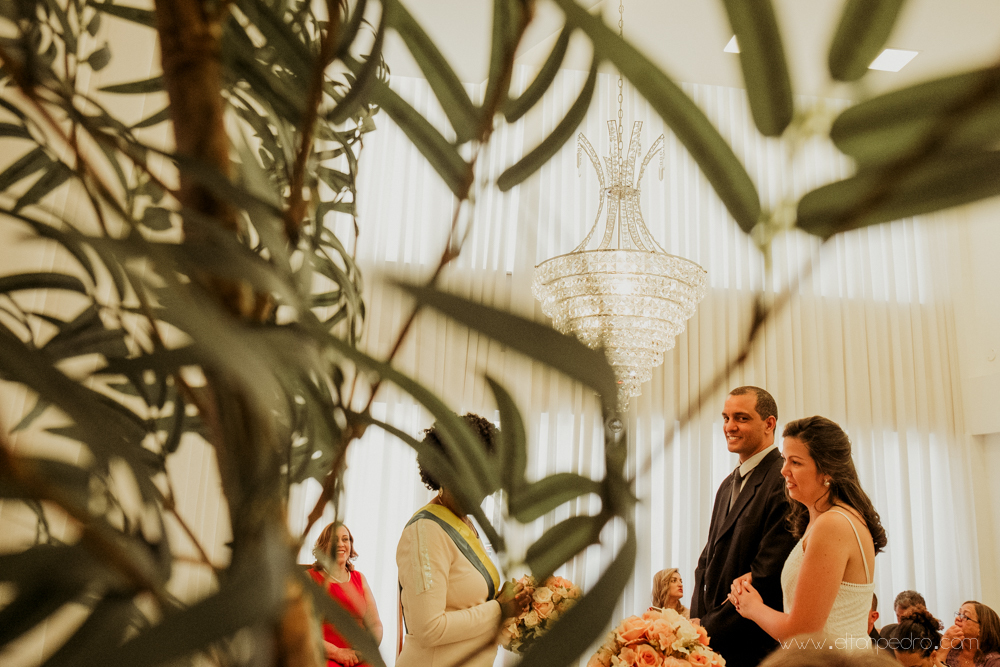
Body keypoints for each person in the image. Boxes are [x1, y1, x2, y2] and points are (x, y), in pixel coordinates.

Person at [730, 416, 888, 649]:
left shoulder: (832, 524)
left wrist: (752, 607)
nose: (783, 470)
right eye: (785, 459)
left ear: (827, 470)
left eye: (795, 462)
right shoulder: (829, 519)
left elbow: (802, 634)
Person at [396, 413, 529, 667]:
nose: (482, 496)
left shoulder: (463, 522)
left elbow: (466, 602)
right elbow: (429, 628)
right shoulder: (426, 530)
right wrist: (499, 609)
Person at [692, 386, 798, 667]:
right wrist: (695, 621)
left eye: (741, 418)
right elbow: (706, 560)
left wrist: (707, 631)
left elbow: (767, 575)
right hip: (711, 644)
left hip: (753, 646)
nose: (730, 426)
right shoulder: (727, 484)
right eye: (726, 418)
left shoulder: (784, 481)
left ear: (769, 424)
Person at [308, 522, 383, 667]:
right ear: (323, 545)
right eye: (334, 540)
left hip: (358, 656)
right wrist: (336, 652)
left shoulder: (360, 578)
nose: (341, 544)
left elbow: (375, 624)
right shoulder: (310, 578)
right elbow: (305, 629)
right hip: (324, 655)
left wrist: (365, 651)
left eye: (345, 539)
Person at [932, 601, 1000, 667]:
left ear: (981, 629)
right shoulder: (950, 649)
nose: (957, 618)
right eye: (959, 614)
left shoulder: (994, 661)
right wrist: (943, 647)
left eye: (965, 616)